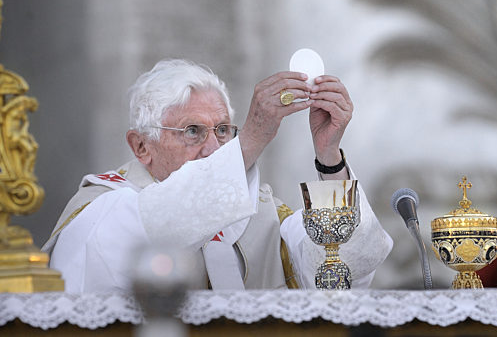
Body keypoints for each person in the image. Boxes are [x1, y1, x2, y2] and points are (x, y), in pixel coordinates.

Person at [42, 58, 392, 292]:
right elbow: (162, 223)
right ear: (141, 146)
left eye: (223, 130)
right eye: (193, 131)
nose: (213, 148)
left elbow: (347, 268)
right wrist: (254, 135)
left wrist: (328, 156)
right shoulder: (102, 212)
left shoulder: (261, 214)